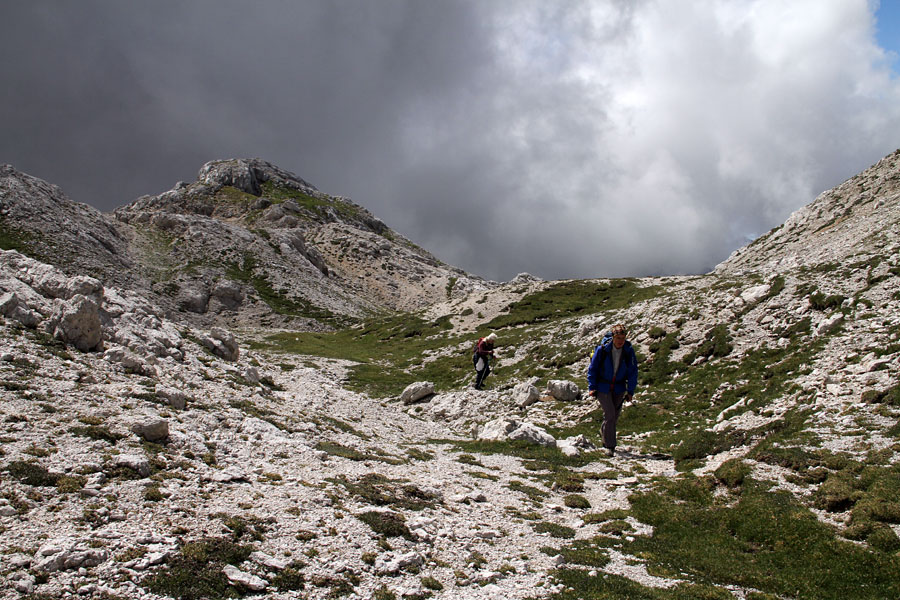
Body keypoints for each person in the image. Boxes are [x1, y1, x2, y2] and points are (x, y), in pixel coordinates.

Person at [586, 324, 638, 456]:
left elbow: (633, 372)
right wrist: (592, 387)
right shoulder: (602, 350)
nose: (620, 341)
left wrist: (630, 391)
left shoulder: (628, 351)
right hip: (603, 387)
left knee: (614, 416)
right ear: (613, 337)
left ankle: (605, 433)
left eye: (623, 338)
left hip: (619, 388)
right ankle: (610, 446)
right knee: (610, 415)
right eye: (618, 337)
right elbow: (593, 369)